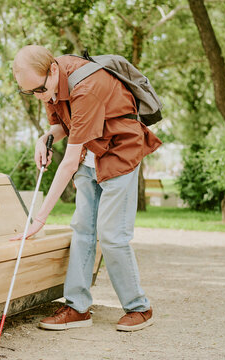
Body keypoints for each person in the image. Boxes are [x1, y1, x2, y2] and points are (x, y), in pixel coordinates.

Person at [11, 45, 162, 332]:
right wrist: (43, 138)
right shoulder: (49, 84)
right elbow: (63, 127)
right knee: (82, 228)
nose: (38, 97)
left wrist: (39, 219)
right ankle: (77, 307)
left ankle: (139, 307)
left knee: (112, 234)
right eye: (28, 93)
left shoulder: (86, 85)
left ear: (53, 69)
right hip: (90, 153)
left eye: (39, 90)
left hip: (120, 152)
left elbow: (67, 163)